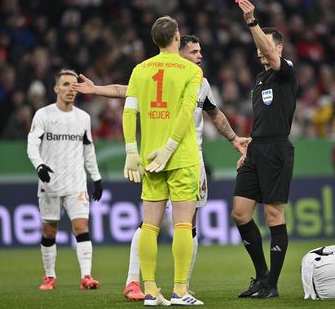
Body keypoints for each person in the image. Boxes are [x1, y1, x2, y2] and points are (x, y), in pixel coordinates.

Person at [73, 34, 249, 301]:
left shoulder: (201, 82)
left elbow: (213, 112)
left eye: (200, 50)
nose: (199, 55)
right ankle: (138, 282)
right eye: (193, 51)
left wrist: (234, 138)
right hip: (170, 154)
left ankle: (181, 286)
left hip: (191, 157)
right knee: (153, 222)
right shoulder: (166, 75)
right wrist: (97, 89)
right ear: (178, 51)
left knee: (187, 224)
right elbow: (126, 90)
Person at [122, 16, 204, 306]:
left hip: (149, 158)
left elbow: (129, 112)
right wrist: (170, 147)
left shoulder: (140, 70)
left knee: (149, 226)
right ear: (177, 38)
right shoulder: (191, 71)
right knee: (183, 225)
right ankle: (180, 291)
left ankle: (150, 291)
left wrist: (132, 151)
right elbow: (185, 113)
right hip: (180, 157)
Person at [232, 0, 297, 299]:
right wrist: (248, 144)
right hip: (256, 150)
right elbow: (263, 118)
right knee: (240, 214)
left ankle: (272, 285)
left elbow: (269, 53)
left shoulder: (287, 72)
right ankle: (261, 276)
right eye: (258, 44)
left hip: (277, 152)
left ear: (278, 48)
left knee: (273, 215)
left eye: (266, 46)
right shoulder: (259, 79)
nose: (259, 50)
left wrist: (251, 22)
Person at [27, 69, 103, 291]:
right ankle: (49, 276)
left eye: (74, 85)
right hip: (50, 183)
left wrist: (96, 177)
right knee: (49, 231)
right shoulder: (43, 115)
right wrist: (39, 165)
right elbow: (32, 144)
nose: (71, 89)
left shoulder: (83, 118)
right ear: (56, 88)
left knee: (81, 227)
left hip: (76, 183)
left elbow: (88, 149)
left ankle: (86, 276)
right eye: (66, 84)